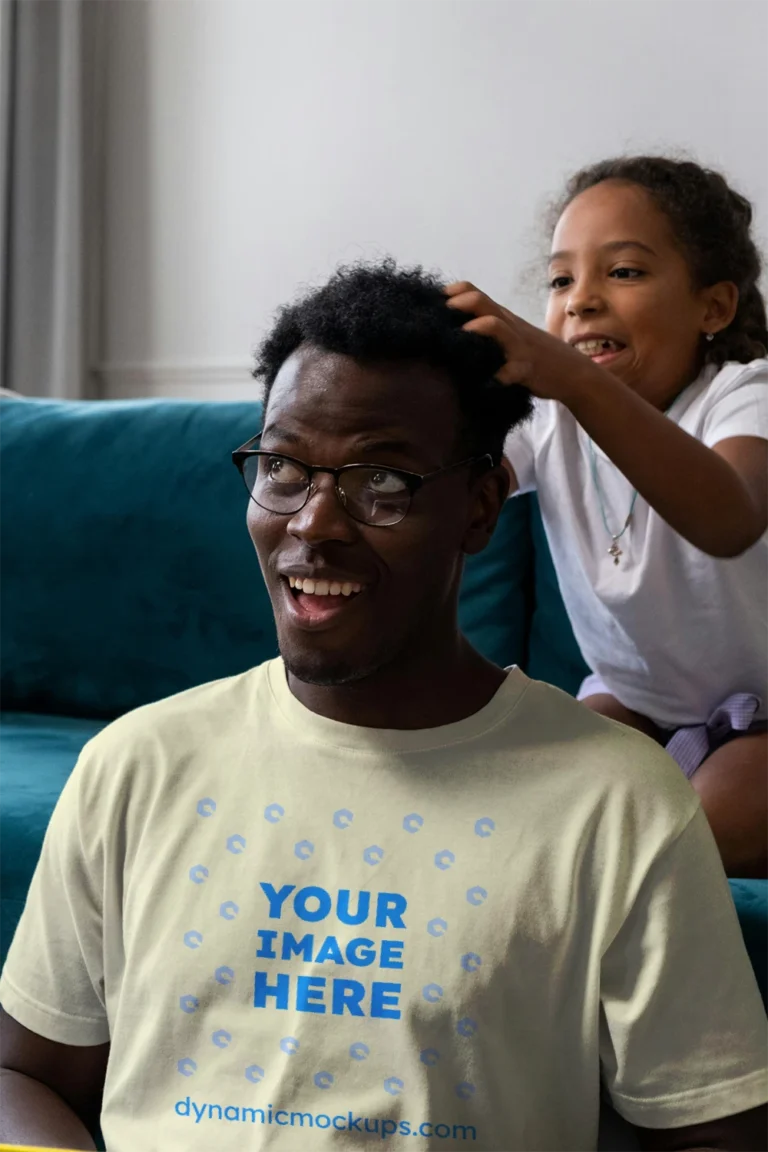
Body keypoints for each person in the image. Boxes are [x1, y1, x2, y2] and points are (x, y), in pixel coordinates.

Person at [1, 261, 767, 1151]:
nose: (315, 522)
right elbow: (24, 1073)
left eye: (383, 483)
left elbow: (716, 1134)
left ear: (481, 508)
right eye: (284, 466)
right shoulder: (136, 765)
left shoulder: (616, 802)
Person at [446, 156, 768, 879]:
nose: (581, 300)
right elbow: (463, 487)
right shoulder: (547, 416)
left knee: (691, 839)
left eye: (622, 272)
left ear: (712, 308)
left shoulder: (745, 395)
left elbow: (731, 518)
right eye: (561, 280)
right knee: (525, 811)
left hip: (766, 719)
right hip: (637, 701)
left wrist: (574, 380)